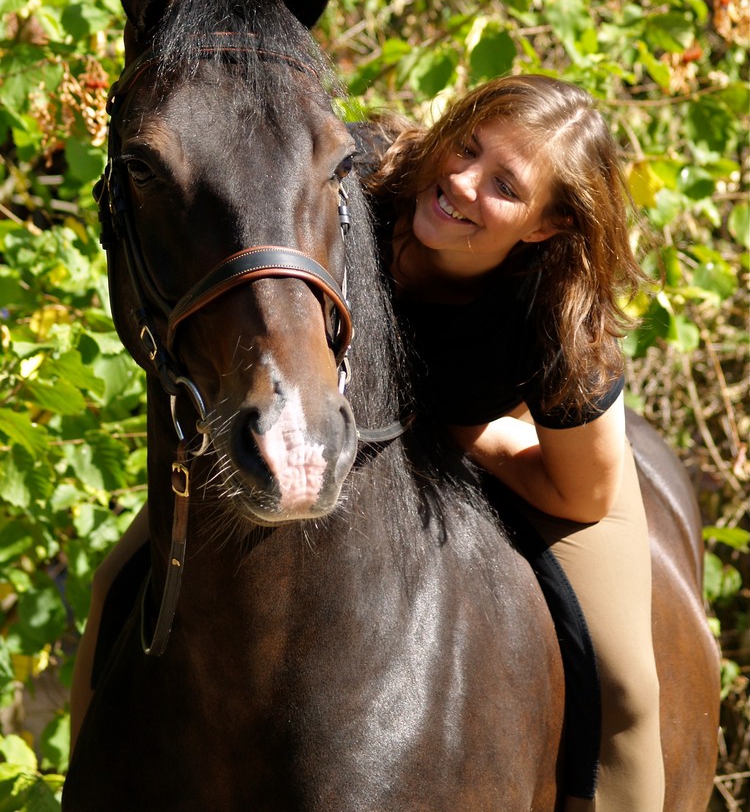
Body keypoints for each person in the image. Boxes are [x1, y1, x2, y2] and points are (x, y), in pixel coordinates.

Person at [71, 74, 663, 811]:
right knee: (119, 578)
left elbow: (584, 490)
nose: (461, 182)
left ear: (545, 225)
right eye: (468, 146)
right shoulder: (363, 179)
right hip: (333, 428)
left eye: (505, 185)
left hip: (517, 458)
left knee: (628, 684)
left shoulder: (561, 316)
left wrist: (458, 431)